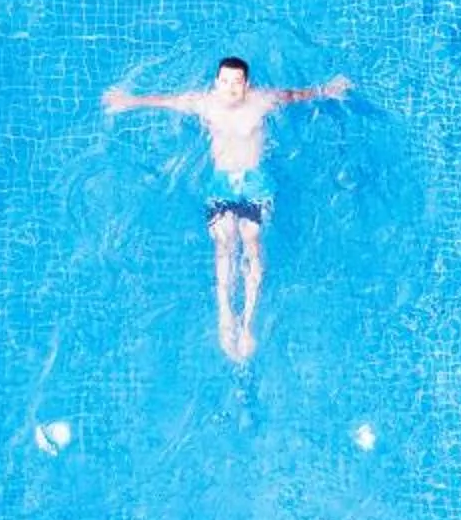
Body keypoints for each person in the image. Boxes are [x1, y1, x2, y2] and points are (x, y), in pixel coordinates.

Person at [103, 55, 352, 360]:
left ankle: (248, 323)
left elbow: (294, 95)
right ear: (216, 83)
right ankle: (225, 315)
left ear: (247, 84)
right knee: (224, 242)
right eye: (225, 81)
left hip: (255, 184)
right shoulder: (204, 103)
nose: (231, 87)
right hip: (221, 184)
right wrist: (129, 101)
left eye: (237, 82)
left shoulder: (261, 101)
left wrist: (326, 90)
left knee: (251, 237)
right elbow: (166, 101)